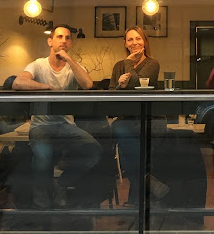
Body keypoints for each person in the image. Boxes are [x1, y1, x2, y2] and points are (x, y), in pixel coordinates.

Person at [12, 24, 101, 208]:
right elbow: (18, 83)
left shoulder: (74, 67)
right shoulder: (38, 64)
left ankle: (61, 184)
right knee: (43, 157)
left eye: (67, 38)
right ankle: (41, 201)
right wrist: (47, 87)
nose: (64, 41)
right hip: (41, 127)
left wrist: (69, 59)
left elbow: (88, 84)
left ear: (71, 43)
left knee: (93, 150)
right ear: (50, 41)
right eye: (59, 37)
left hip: (66, 126)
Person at [101, 26, 166, 206]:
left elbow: (139, 85)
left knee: (128, 149)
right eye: (130, 39)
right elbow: (111, 97)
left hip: (150, 118)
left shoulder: (152, 63)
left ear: (144, 42)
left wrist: (128, 62)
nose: (134, 43)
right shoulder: (118, 66)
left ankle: (135, 196)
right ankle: (148, 183)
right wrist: (119, 86)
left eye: (138, 38)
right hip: (126, 119)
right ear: (125, 43)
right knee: (121, 132)